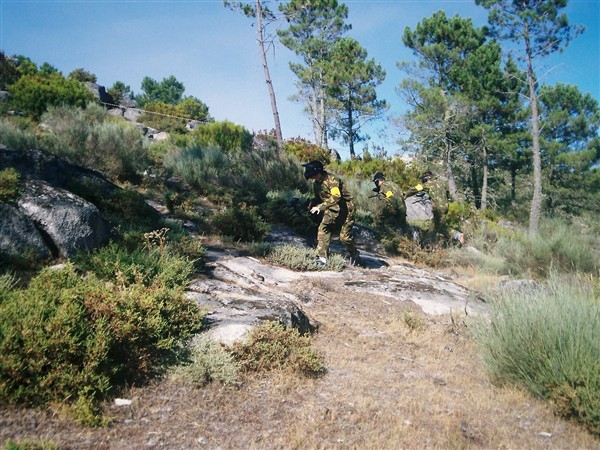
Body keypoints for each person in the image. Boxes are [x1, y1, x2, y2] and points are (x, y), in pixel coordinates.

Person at [302, 160, 363, 267]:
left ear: (316, 171)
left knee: (344, 238)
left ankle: (354, 254)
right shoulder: (317, 183)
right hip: (332, 209)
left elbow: (336, 196)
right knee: (324, 228)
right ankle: (322, 258)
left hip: (346, 210)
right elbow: (320, 197)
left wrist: (320, 207)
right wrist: (312, 202)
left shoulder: (332, 180)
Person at [405, 170, 464, 245]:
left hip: (437, 209)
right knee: (436, 226)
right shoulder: (442, 183)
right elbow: (448, 195)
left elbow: (414, 189)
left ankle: (457, 236)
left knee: (437, 228)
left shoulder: (428, 184)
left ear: (426, 178)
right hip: (445, 207)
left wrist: (405, 195)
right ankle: (448, 243)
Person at [371, 172, 408, 237]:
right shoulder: (393, 184)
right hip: (402, 209)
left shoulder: (383, 186)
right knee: (402, 227)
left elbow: (391, 197)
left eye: (375, 182)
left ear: (379, 180)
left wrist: (392, 210)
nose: (375, 184)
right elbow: (401, 195)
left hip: (395, 208)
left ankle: (381, 236)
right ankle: (406, 240)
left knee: (378, 218)